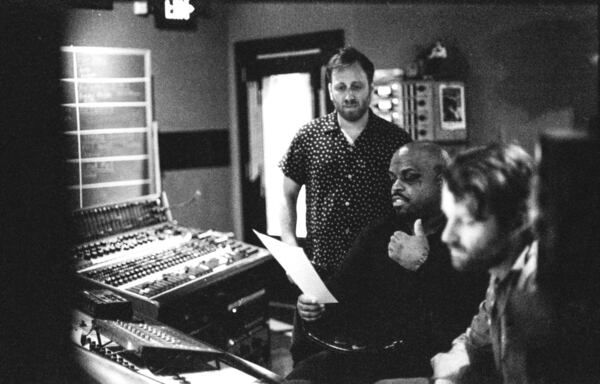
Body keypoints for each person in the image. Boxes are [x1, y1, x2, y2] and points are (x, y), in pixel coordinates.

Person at [285, 142, 487, 384]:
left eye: (409, 178)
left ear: (443, 181)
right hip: (371, 355)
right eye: (393, 178)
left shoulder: (467, 235)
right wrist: (316, 307)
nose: (396, 187)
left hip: (433, 361)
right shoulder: (379, 232)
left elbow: (467, 316)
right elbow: (339, 293)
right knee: (301, 377)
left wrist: (424, 263)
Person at [279, 46, 411, 364]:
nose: (349, 95)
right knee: (311, 365)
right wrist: (290, 252)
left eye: (356, 86)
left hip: (378, 280)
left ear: (370, 87)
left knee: (371, 367)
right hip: (320, 276)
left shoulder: (396, 141)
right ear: (330, 90)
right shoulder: (308, 137)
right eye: (341, 87)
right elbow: (286, 196)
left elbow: (413, 204)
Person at [430, 143, 559, 384]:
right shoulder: (501, 272)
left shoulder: (540, 293)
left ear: (518, 220)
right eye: (449, 218)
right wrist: (455, 364)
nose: (447, 236)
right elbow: (473, 342)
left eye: (466, 221)